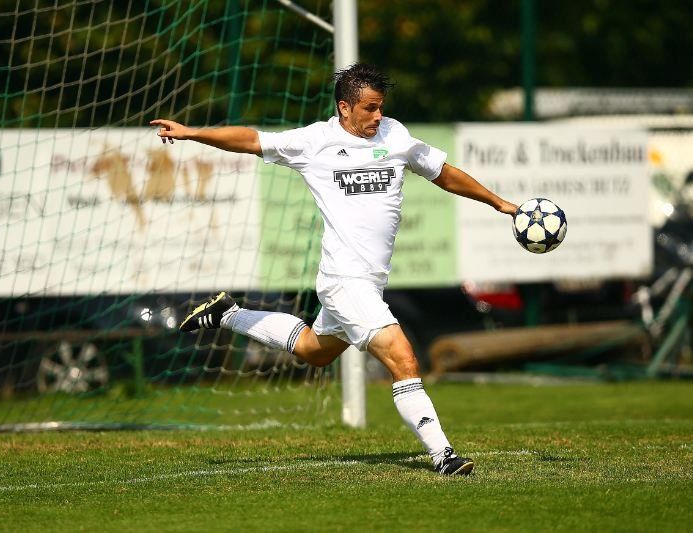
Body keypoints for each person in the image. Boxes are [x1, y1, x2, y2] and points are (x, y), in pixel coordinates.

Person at [151, 63, 517, 476]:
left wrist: (500, 203)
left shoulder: (394, 134)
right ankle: (443, 455)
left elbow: (443, 173)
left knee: (315, 351)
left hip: (370, 282)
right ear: (345, 107)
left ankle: (227, 313)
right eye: (369, 108)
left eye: (381, 107)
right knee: (403, 359)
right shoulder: (315, 142)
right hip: (344, 280)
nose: (378, 115)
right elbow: (252, 139)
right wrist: (192, 133)